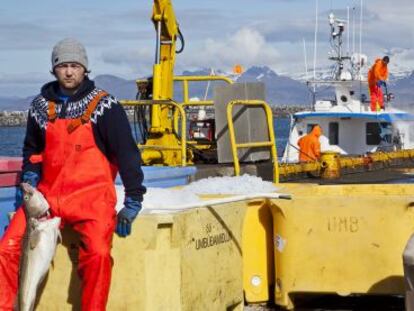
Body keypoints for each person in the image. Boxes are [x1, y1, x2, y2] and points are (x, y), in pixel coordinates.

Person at [0, 38, 146, 310]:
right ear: (54, 70)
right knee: (6, 248)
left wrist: (133, 200)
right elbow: (32, 150)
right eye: (63, 65)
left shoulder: (105, 106)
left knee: (99, 255)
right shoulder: (40, 107)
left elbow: (127, 155)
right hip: (47, 199)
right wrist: (30, 177)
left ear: (85, 69)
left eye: (75, 66)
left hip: (91, 199)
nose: (69, 71)